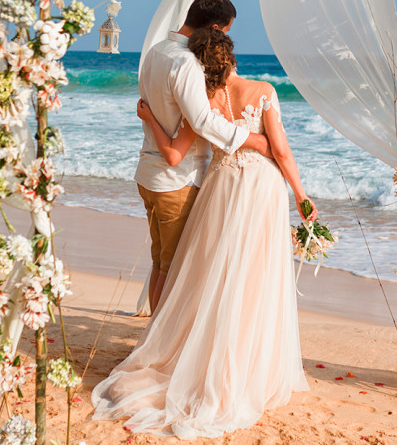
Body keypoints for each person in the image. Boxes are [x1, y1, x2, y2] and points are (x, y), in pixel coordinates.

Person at [92, 27, 317, 438]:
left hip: (219, 187)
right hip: (260, 190)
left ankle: (198, 352)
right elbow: (281, 151)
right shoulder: (263, 89)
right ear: (231, 58)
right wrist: (302, 196)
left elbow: (176, 149)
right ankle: (242, 365)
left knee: (211, 274)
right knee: (253, 277)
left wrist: (148, 119)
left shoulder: (204, 101)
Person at [133, 0, 269, 313]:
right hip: (176, 181)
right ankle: (158, 345)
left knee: (160, 265)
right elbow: (203, 120)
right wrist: (254, 140)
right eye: (225, 32)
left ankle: (154, 338)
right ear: (214, 27)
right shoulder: (186, 63)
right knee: (173, 270)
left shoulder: (155, 51)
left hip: (149, 175)